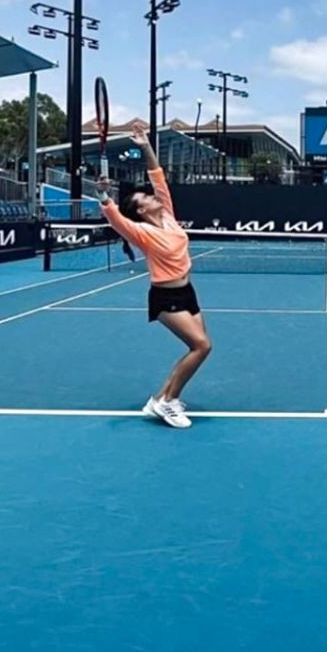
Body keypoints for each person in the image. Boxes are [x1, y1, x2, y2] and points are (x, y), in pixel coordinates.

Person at [97, 128, 211, 429]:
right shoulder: (143, 233)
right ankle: (168, 403)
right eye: (144, 198)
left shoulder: (168, 215)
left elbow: (156, 174)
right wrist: (103, 193)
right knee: (202, 347)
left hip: (188, 293)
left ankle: (158, 399)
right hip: (166, 298)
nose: (151, 196)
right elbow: (114, 216)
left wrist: (146, 145)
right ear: (140, 211)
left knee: (195, 348)